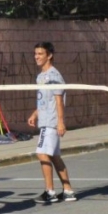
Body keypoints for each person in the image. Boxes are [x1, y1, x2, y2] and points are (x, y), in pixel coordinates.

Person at [27, 42, 76, 204]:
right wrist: (35, 114)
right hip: (44, 119)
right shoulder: (41, 76)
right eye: (36, 54)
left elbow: (58, 100)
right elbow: (44, 101)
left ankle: (50, 191)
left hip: (51, 122)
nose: (37, 57)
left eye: (40, 54)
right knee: (54, 156)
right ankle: (68, 191)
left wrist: (60, 122)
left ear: (49, 56)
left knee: (42, 153)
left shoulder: (54, 76)